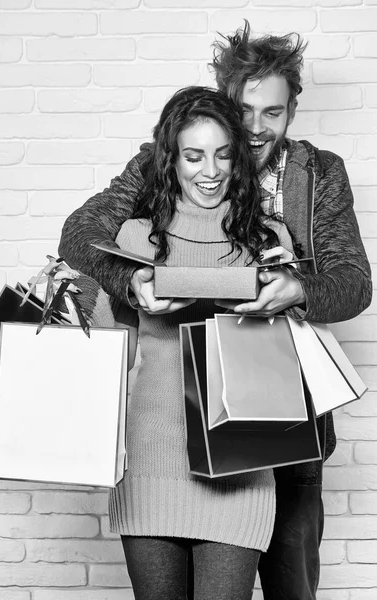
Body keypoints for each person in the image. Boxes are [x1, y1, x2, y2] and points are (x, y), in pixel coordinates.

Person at [58, 21, 372, 600]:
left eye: (272, 113)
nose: (255, 129)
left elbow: (353, 285)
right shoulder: (164, 165)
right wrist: (132, 282)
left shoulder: (316, 174)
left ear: (293, 110)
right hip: (167, 427)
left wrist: (295, 288)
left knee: (290, 587)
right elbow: (83, 234)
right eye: (243, 111)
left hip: (277, 412)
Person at [109, 85, 295, 600]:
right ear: (170, 161)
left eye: (222, 154)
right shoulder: (135, 239)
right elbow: (112, 351)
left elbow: (290, 362)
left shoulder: (268, 242)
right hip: (152, 461)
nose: (209, 171)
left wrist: (286, 300)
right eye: (193, 156)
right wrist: (69, 295)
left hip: (241, 467)